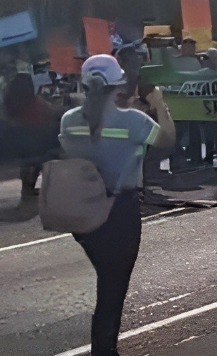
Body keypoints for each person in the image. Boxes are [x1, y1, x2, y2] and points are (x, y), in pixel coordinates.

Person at [59, 55, 176, 356]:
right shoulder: (134, 121)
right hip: (119, 211)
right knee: (113, 284)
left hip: (81, 209)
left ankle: (104, 347)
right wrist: (159, 103)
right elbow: (167, 141)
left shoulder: (69, 119)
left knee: (107, 277)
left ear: (84, 85)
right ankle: (103, 350)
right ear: (119, 85)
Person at [0, 73, 61, 198]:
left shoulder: (10, 100)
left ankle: (27, 188)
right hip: (36, 137)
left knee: (29, 162)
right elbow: (49, 112)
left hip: (17, 137)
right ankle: (39, 187)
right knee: (47, 155)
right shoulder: (33, 100)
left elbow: (5, 116)